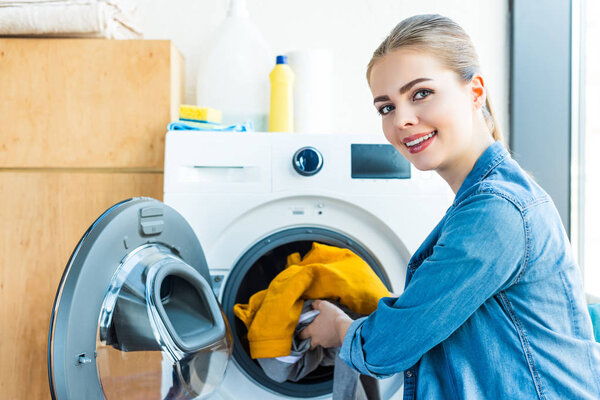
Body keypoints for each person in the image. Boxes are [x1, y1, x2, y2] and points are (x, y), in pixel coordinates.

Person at [299, 14, 600, 399]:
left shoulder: (496, 211)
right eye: (386, 107)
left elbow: (386, 348)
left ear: (475, 91)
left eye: (421, 93)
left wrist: (340, 329)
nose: (403, 120)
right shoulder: (483, 200)